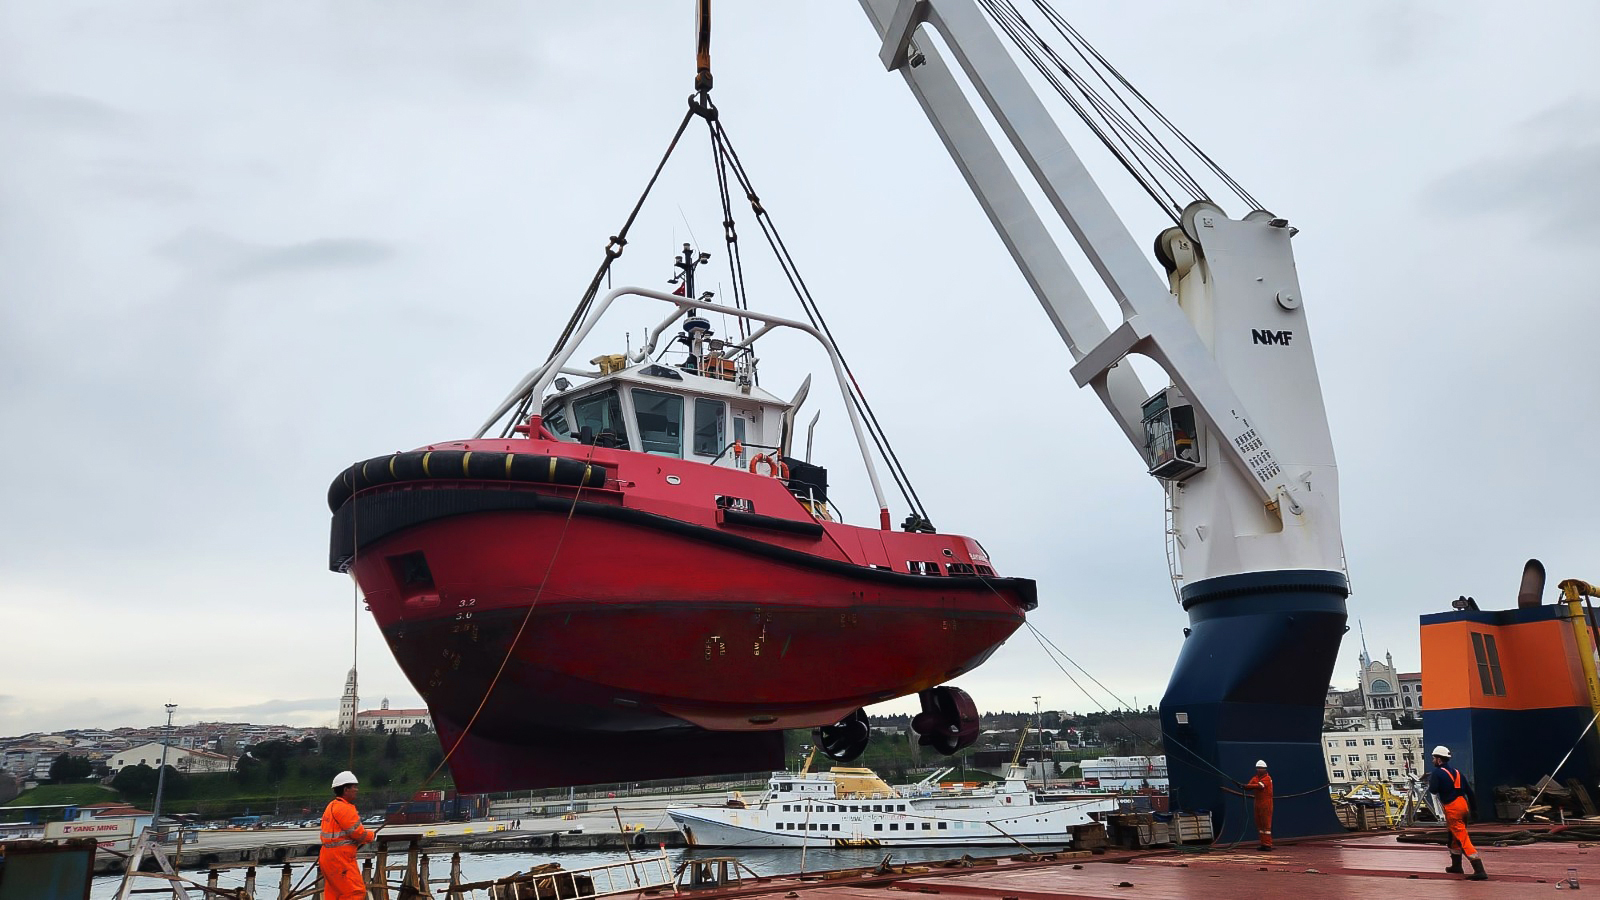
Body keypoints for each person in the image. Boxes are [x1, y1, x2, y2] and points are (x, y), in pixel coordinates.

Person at [1428, 746, 1487, 880]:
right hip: (1463, 805)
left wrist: (1431, 781)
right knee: (1453, 837)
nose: (1432, 760)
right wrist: (1475, 810)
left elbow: (1433, 790)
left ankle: (1479, 870)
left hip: (1452, 808)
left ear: (1438, 759)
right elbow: (1470, 793)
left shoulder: (1437, 773)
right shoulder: (1457, 772)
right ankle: (1456, 866)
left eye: (1433, 758)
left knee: (1462, 837)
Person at [319, 771, 376, 899]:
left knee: (334, 893)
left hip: (328, 856)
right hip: (340, 858)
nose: (357, 789)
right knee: (355, 892)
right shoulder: (345, 808)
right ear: (346, 789)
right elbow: (358, 833)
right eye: (354, 787)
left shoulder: (331, 806)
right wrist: (371, 836)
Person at [1244, 760, 1274, 851]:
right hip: (1257, 802)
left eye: (1261, 768)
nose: (1259, 770)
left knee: (1266, 824)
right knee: (1259, 824)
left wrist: (1247, 786)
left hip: (1266, 803)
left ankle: (1268, 844)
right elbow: (1250, 785)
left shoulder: (1267, 778)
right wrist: (1244, 786)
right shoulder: (1255, 778)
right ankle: (1263, 843)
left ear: (1265, 769)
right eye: (1258, 768)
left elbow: (1260, 786)